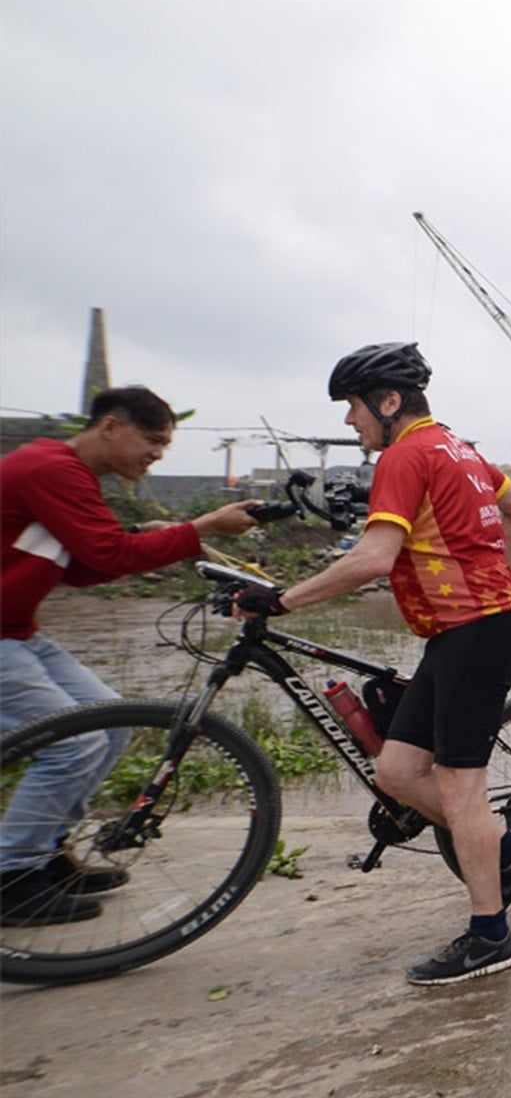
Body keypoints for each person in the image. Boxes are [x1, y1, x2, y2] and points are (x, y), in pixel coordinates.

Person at [230, 343, 511, 986]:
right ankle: (506, 854)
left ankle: (490, 938)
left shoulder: (405, 454)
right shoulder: (458, 447)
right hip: (469, 631)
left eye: (352, 407)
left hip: (477, 634)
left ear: (388, 401)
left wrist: (282, 600)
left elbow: (374, 558)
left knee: (460, 792)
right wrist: (494, 575)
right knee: (398, 771)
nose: (350, 421)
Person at [1, 387, 263, 926]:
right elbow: (109, 555)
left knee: (110, 723)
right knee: (73, 742)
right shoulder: (53, 469)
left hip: (17, 631)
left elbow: (82, 568)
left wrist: (162, 536)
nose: (157, 455)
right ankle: (11, 876)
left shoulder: (69, 475)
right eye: (153, 441)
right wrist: (202, 527)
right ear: (110, 427)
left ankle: (44, 854)